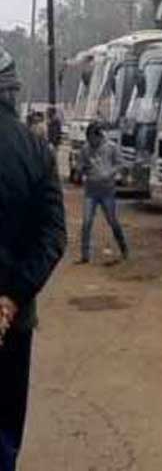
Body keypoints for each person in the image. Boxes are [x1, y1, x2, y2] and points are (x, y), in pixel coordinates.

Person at [0, 46, 66, 471]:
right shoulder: (36, 151)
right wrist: (11, 298)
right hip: (14, 319)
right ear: (12, 91)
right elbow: (53, 236)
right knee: (5, 429)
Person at [79, 123, 130, 264]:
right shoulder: (85, 149)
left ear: (99, 136)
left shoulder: (111, 147)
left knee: (112, 221)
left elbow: (120, 164)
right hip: (91, 190)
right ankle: (85, 255)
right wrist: (82, 170)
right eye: (88, 139)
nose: (91, 142)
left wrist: (110, 173)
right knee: (86, 222)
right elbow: (80, 166)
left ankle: (123, 248)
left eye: (92, 139)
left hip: (107, 191)